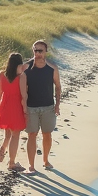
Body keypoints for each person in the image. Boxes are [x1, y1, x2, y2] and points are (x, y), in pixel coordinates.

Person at [19, 39, 62, 174]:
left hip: (48, 107)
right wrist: (23, 107)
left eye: (40, 51)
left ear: (45, 52)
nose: (37, 53)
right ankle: (31, 166)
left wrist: (57, 105)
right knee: (32, 134)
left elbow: (58, 87)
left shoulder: (52, 68)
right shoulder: (26, 67)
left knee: (47, 134)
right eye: (35, 50)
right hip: (31, 108)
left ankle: (46, 160)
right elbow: (21, 90)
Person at [0, 52, 27, 171]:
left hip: (4, 106)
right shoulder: (21, 76)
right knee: (15, 135)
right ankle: (12, 162)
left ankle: (1, 151)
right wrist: (25, 111)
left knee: (8, 133)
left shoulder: (2, 74)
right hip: (16, 107)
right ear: (19, 64)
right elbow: (23, 96)